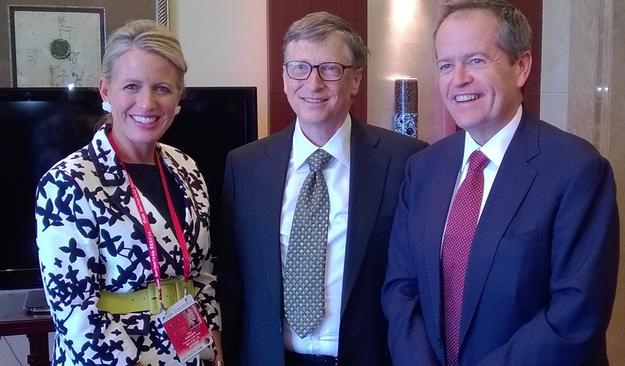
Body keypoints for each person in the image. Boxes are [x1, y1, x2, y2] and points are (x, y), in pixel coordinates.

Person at [382, 1, 620, 365]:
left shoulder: (577, 170)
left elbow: (575, 314)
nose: (458, 78)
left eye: (476, 60)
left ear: (521, 66)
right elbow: (400, 290)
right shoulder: (422, 167)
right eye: (446, 65)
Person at [218, 11, 427, 366]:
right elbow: (232, 282)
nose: (312, 84)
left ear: (356, 80)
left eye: (330, 68)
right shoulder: (245, 166)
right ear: (284, 78)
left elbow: (418, 280)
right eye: (299, 67)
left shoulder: (407, 161)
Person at [35, 19, 223, 366]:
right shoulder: (68, 182)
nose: (147, 103)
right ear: (106, 91)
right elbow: (74, 310)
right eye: (132, 86)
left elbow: (202, 273)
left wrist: (213, 344)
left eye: (162, 88)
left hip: (192, 353)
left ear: (179, 95)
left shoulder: (186, 168)